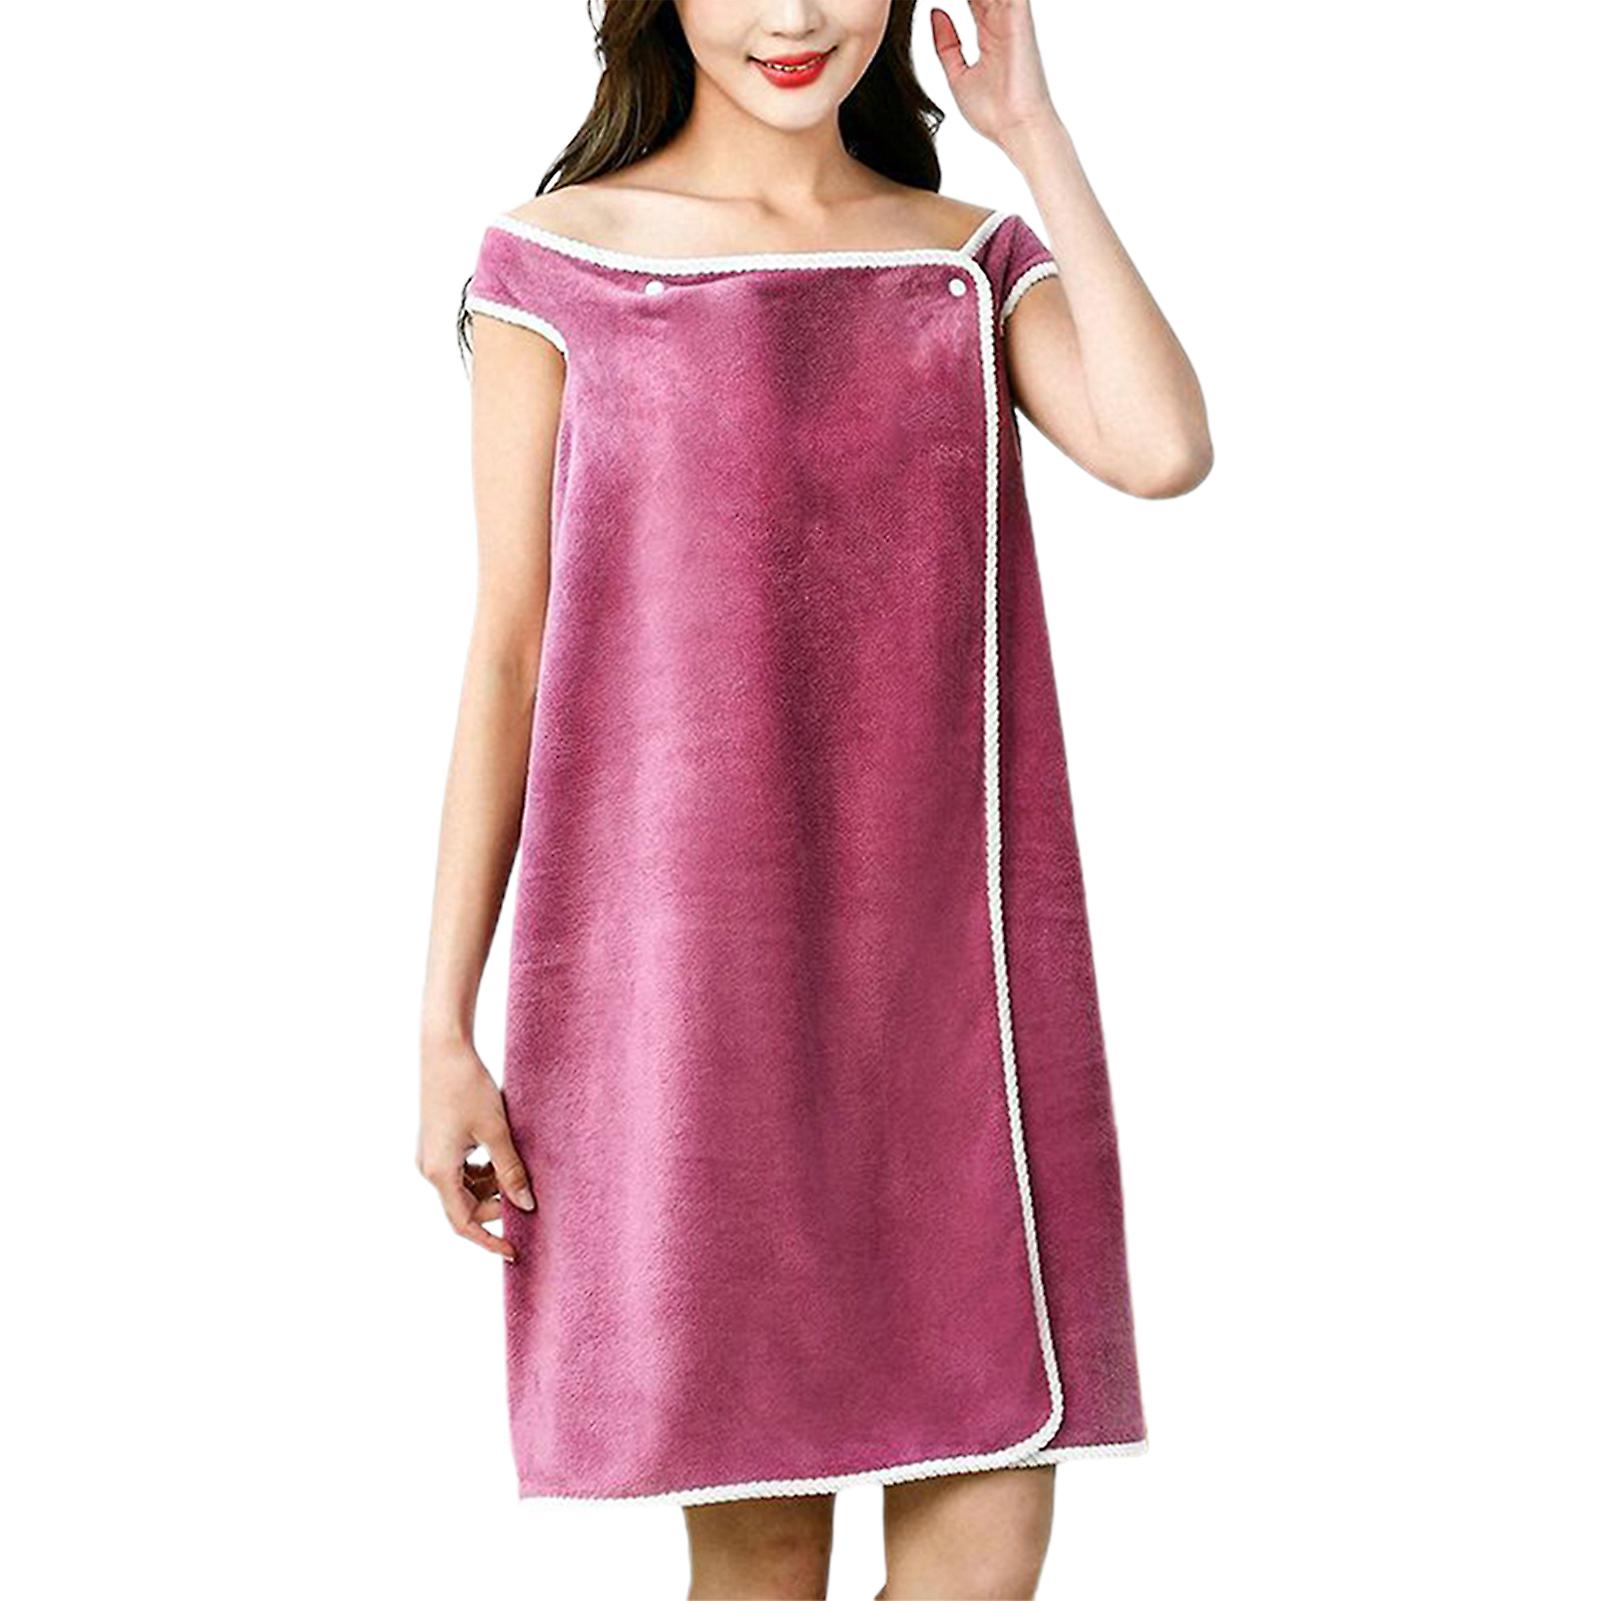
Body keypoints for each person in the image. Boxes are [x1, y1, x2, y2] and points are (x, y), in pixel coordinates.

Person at [418, 2, 1210, 1596]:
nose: (791, 18)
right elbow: (510, 650)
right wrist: (445, 1027)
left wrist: (1033, 136)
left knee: (988, 1542)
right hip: (692, 1008)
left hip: (955, 989)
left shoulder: (963, 255)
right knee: (764, 1544)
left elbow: (1158, 447)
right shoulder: (556, 264)